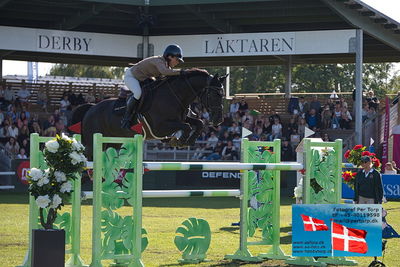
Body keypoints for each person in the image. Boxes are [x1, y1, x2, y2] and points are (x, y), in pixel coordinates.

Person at [121, 44, 184, 128]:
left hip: (142, 79)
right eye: (177, 60)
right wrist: (181, 72)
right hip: (131, 77)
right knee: (138, 93)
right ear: (169, 56)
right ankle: (126, 118)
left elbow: (164, 77)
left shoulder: (165, 64)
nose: (178, 62)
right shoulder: (159, 61)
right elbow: (165, 72)